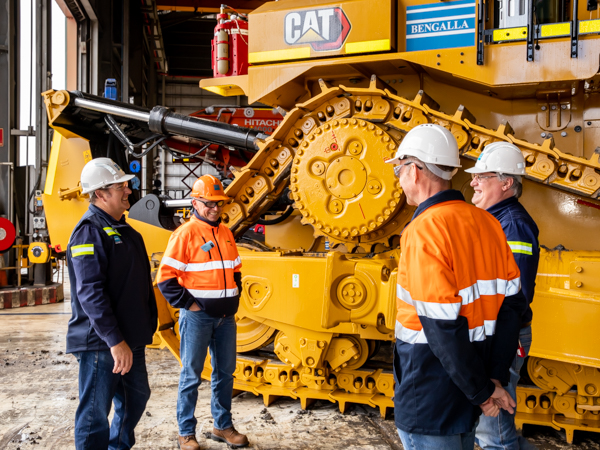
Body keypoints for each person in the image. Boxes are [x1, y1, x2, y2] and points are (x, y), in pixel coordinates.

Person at [386, 124, 528, 450]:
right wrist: (491, 381)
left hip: (430, 394)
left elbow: (441, 326)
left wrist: (482, 390)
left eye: (399, 168)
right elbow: (512, 308)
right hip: (469, 392)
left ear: (416, 170)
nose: (398, 178)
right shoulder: (488, 222)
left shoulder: (424, 229)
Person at [66, 157, 158, 449]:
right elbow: (90, 292)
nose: (128, 191)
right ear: (100, 193)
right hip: (102, 342)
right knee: (94, 413)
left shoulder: (128, 231)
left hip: (131, 338)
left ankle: (118, 446)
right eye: (120, 186)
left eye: (125, 186)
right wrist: (114, 340)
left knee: (136, 397)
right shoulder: (88, 231)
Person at [157, 174, 248, 450]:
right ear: (195, 203)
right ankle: (186, 432)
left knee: (225, 373)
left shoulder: (225, 232)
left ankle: (222, 426)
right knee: (192, 375)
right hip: (197, 318)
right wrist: (192, 305)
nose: (215, 208)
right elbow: (165, 279)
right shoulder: (184, 234)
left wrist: (234, 295)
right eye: (209, 203)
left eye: (218, 203)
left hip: (225, 319)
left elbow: (236, 270)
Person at [467, 142, 540, 450]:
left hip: (502, 337)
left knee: (493, 433)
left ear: (506, 182)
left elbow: (514, 299)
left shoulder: (512, 226)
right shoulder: (495, 220)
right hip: (491, 332)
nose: (472, 182)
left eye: (481, 176)